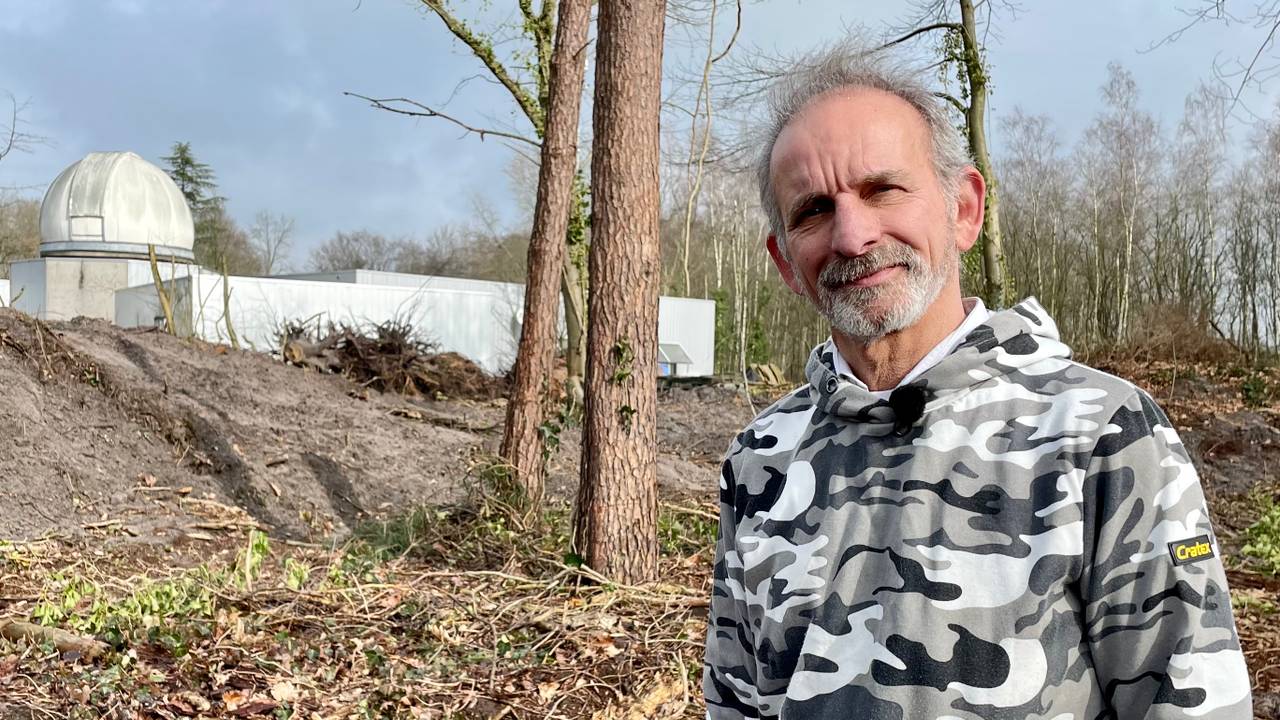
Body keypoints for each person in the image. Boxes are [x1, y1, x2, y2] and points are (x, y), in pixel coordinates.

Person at [702, 44, 1252, 719]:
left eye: (882, 189)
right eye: (813, 210)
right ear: (785, 261)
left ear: (964, 209)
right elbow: (736, 701)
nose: (851, 235)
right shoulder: (760, 459)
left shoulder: (1101, 432)